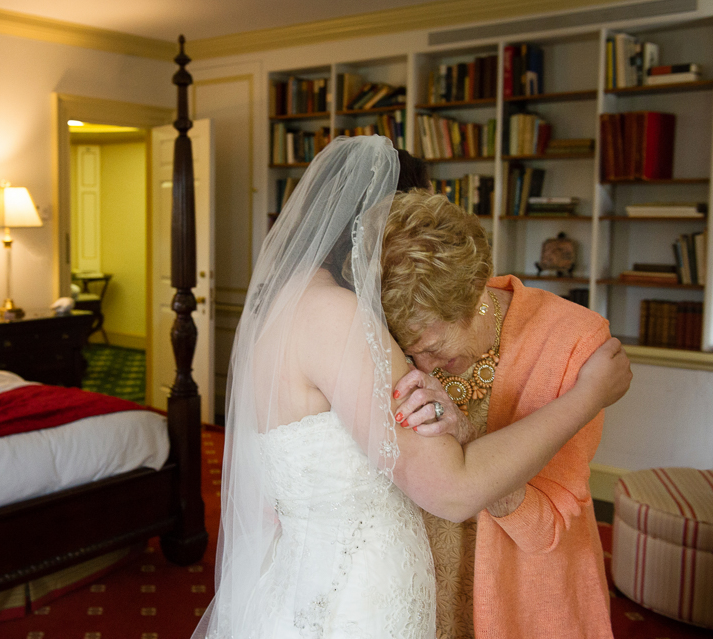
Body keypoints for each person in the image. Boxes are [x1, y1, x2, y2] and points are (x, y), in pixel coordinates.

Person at [192, 135, 632, 639]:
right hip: (361, 596)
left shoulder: (283, 306)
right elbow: (453, 489)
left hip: (309, 580)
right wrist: (588, 396)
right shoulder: (341, 317)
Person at [383, 189, 623, 639]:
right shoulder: (391, 329)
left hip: (524, 589)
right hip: (410, 581)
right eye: (410, 354)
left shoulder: (574, 342)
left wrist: (468, 436)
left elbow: (544, 529)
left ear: (473, 296)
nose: (424, 368)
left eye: (433, 349)